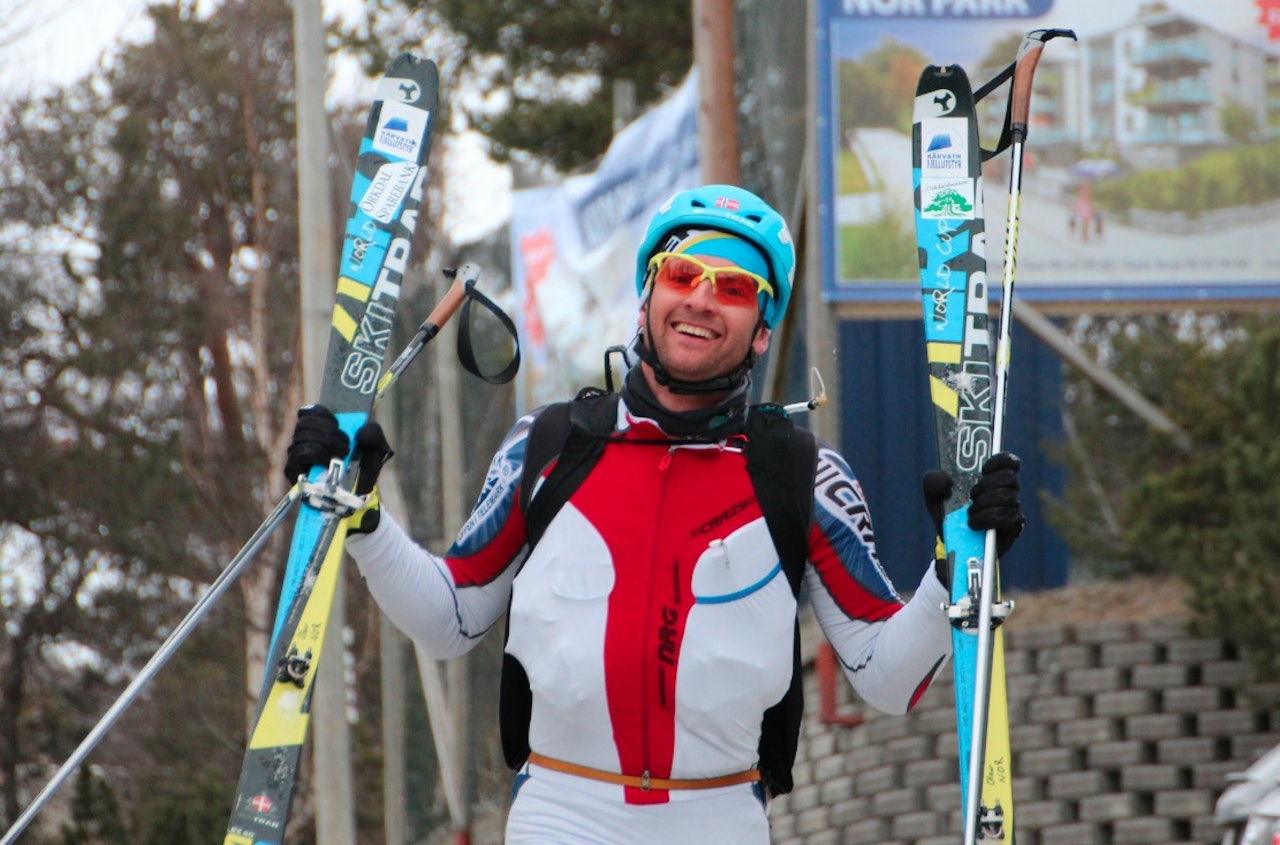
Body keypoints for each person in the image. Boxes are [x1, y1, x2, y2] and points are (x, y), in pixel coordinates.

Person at [284, 184, 1025, 844]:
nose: (701, 298)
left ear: (762, 329)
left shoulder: (802, 473)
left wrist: (951, 566)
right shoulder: (546, 445)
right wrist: (365, 517)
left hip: (720, 818)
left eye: (734, 287)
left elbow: (889, 677)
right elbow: (449, 619)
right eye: (682, 275)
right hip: (558, 815)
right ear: (647, 296)